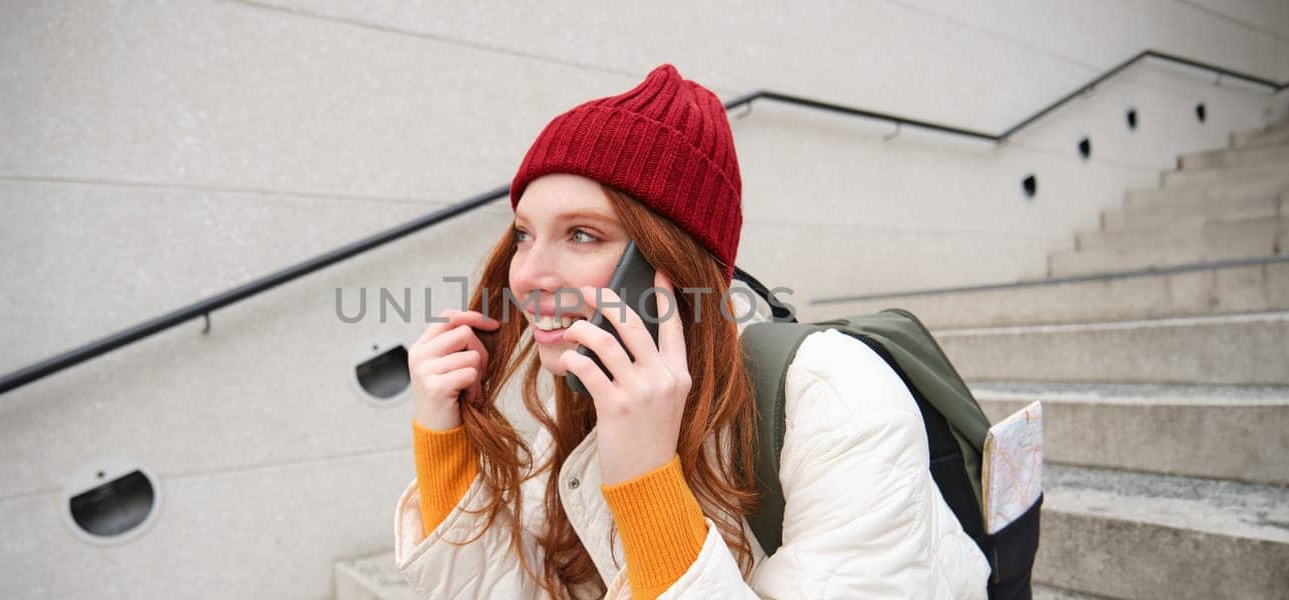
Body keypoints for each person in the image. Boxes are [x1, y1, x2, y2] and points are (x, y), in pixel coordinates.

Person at [392, 64, 990, 599]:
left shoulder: (836, 396)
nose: (527, 275)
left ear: (673, 264)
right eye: (523, 234)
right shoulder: (589, 393)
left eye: (581, 235)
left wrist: (648, 484)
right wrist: (442, 445)